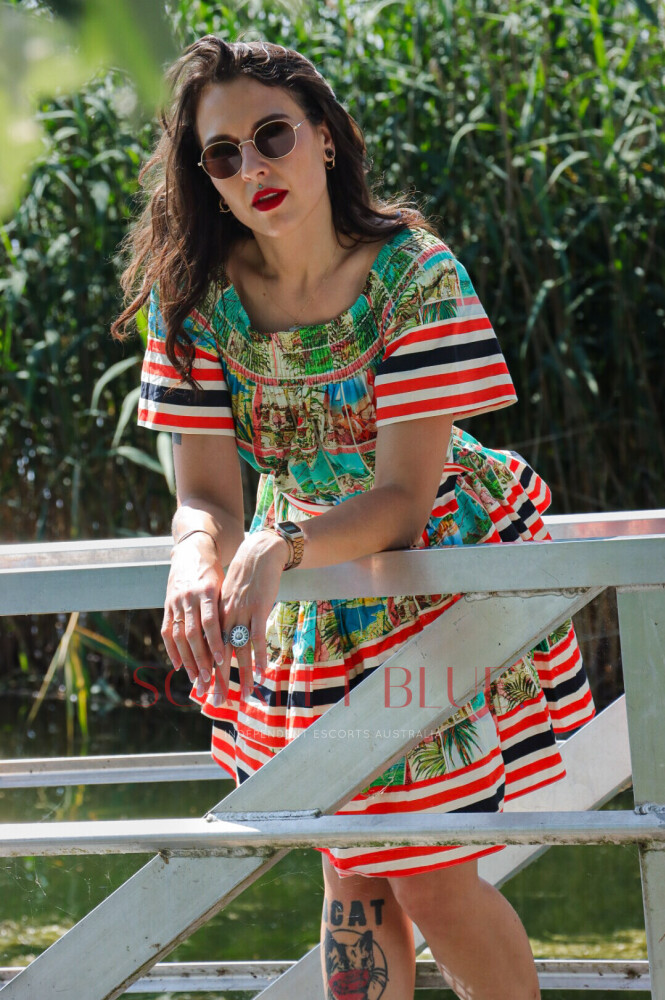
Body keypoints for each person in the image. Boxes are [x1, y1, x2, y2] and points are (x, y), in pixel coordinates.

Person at [113, 36, 595, 1000]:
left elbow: (404, 502)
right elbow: (204, 497)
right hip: (303, 583)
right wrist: (194, 558)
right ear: (203, 177)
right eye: (222, 154)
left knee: (430, 871)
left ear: (324, 137)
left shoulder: (412, 273)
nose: (253, 167)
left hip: (425, 568)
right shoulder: (193, 296)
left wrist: (279, 545)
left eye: (273, 135)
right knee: (347, 855)